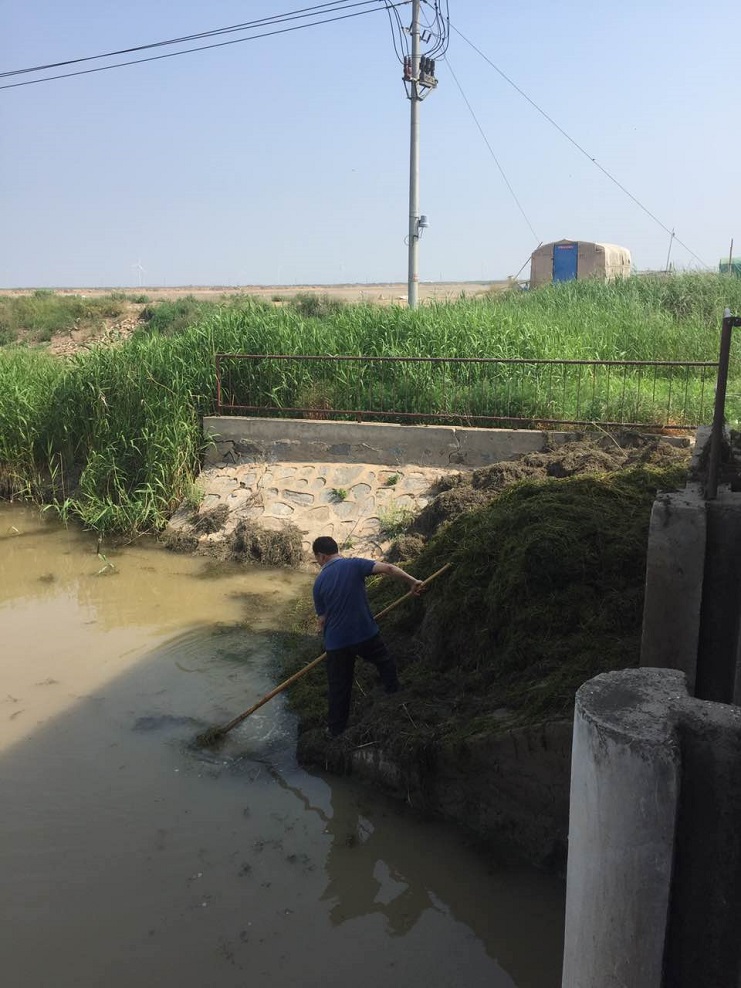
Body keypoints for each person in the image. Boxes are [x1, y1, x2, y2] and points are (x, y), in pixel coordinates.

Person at [312, 535, 424, 738]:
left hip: (337, 644)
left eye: (317, 559)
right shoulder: (355, 564)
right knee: (384, 661)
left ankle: (336, 730)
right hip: (364, 633)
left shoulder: (318, 583)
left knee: (339, 687)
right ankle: (394, 694)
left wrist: (320, 631)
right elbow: (388, 568)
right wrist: (412, 581)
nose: (318, 563)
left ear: (322, 556)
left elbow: (322, 620)